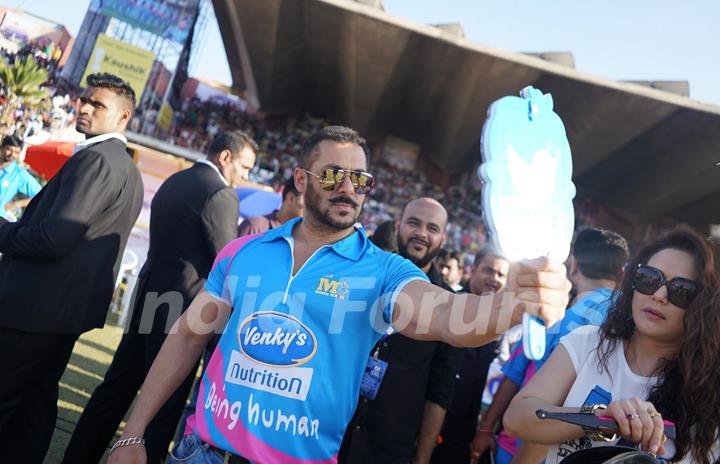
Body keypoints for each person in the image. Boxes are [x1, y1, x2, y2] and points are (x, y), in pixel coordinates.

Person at [108, 125, 570, 464]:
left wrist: (509, 306)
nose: (349, 188)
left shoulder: (384, 269)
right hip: (200, 454)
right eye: (332, 175)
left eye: (360, 180)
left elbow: (448, 316)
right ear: (303, 180)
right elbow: (188, 336)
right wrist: (134, 434)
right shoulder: (242, 252)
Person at [62, 131, 258, 464]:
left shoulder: (176, 180)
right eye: (245, 166)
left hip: (147, 299)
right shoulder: (221, 194)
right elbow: (227, 264)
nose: (246, 176)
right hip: (180, 314)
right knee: (164, 406)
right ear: (226, 158)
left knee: (114, 391)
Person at [0, 72, 144, 463]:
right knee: (33, 411)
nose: (84, 108)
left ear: (123, 116)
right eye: (84, 100)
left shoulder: (98, 159)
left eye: (97, 104)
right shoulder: (123, 165)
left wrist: (4, 232)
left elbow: (55, 238)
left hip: (35, 311)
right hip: (56, 314)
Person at [504, 228, 720, 464]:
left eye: (682, 291)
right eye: (649, 278)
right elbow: (517, 417)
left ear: (705, 306)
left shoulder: (709, 394)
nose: (659, 295)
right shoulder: (588, 341)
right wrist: (600, 418)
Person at [470, 227, 629, 464]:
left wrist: (485, 429)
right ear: (622, 273)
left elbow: (513, 375)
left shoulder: (548, 314)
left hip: (515, 444)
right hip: (571, 454)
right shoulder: (627, 320)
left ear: (572, 265)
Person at [339, 198, 462, 464]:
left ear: (443, 237)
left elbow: (440, 391)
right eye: (414, 223)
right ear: (398, 225)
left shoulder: (448, 305)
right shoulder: (362, 278)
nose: (421, 233)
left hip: (389, 449)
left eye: (432, 228)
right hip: (331, 433)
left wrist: (422, 459)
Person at [431, 246, 510, 464]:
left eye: (501, 274)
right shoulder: (446, 304)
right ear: (473, 269)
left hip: (463, 435)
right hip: (427, 425)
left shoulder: (504, 324)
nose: (494, 279)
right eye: (488, 270)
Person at [238, 175, 304, 236]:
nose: (312, 207)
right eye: (308, 200)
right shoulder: (256, 228)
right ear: (291, 198)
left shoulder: (302, 240)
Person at [0, 134, 41, 220]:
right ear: (2, 147)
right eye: (9, 149)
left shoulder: (19, 174)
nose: (12, 154)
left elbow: (40, 195)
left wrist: (16, 204)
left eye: (16, 152)